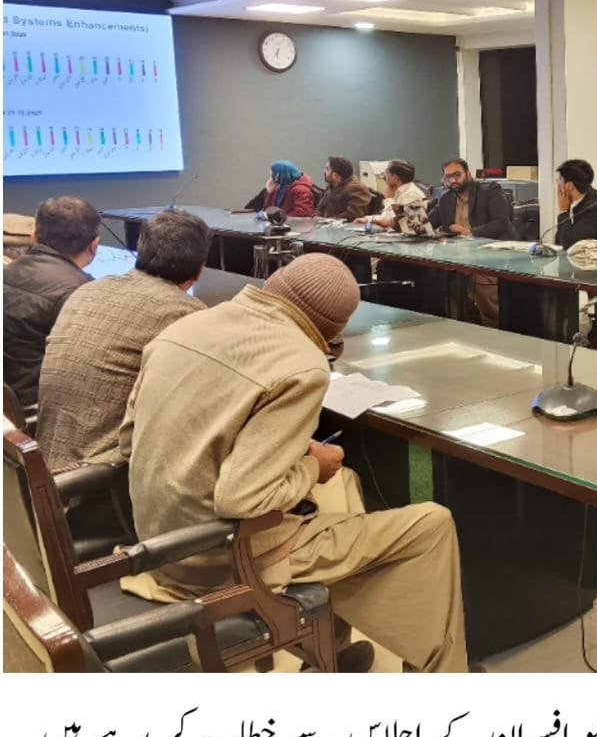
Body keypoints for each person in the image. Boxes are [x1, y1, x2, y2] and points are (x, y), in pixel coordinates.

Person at [119, 254, 469, 672]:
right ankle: (445, 674)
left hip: (156, 541)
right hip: (218, 557)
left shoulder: (183, 328)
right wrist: (311, 467)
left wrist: (289, 456)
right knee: (431, 524)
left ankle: (332, 650)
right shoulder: (302, 365)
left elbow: (128, 441)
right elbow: (241, 500)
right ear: (331, 330)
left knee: (343, 483)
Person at [37, 210, 208, 472]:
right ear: (199, 270)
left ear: (141, 250)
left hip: (44, 465)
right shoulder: (187, 314)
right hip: (100, 477)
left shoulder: (89, 290)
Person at [3, 195, 100, 407]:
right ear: (94, 245)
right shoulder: (84, 294)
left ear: (34, 237)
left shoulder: (6, 272)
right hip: (38, 411)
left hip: (10, 407)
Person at [428, 158, 515, 328]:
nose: (453, 180)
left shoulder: (489, 190)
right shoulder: (446, 199)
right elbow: (428, 222)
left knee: (488, 303)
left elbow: (501, 223)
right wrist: (403, 222)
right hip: (458, 258)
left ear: (467, 173)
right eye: (448, 177)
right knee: (435, 281)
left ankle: (498, 332)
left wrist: (470, 232)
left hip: (491, 256)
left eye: (457, 175)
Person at [554, 159, 597, 253]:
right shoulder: (580, 201)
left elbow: (570, 244)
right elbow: (559, 240)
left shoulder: (596, 209)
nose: (558, 184)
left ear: (569, 185)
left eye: (560, 180)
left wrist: (563, 211)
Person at [366, 158, 425, 231]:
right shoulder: (400, 191)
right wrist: (368, 219)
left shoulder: (411, 194)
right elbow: (385, 216)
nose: (384, 178)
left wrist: (389, 199)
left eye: (386, 174)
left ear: (395, 178)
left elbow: (390, 221)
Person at [316, 156, 373, 222]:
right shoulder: (332, 186)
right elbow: (320, 207)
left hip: (345, 226)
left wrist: (328, 220)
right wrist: (316, 216)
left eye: (327, 169)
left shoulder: (357, 189)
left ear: (335, 175)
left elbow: (353, 214)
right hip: (327, 225)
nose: (324, 171)